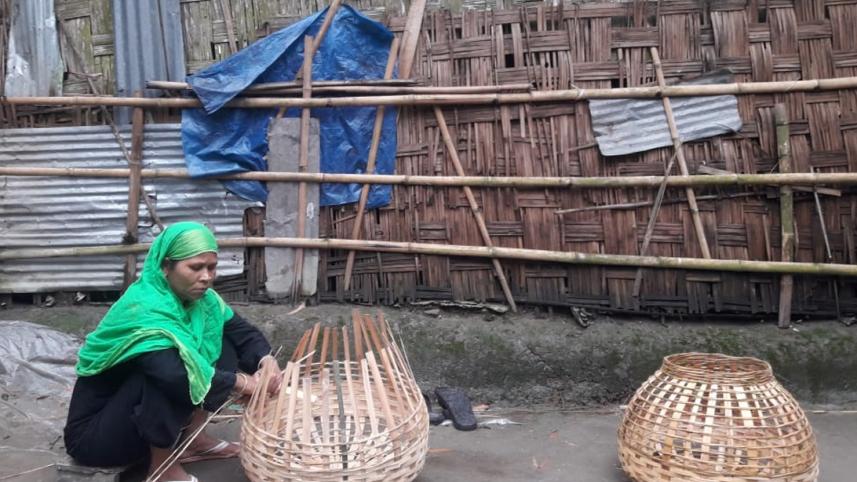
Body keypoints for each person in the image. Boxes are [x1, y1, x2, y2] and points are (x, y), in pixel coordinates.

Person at [64, 222, 280, 482]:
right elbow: (173, 375)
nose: (206, 277)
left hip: (136, 423)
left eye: (211, 267)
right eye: (196, 267)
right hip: (97, 438)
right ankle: (161, 467)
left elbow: (243, 333)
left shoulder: (204, 302)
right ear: (166, 267)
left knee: (219, 342)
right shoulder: (145, 307)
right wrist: (243, 382)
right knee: (171, 371)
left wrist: (266, 360)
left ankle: (192, 441)